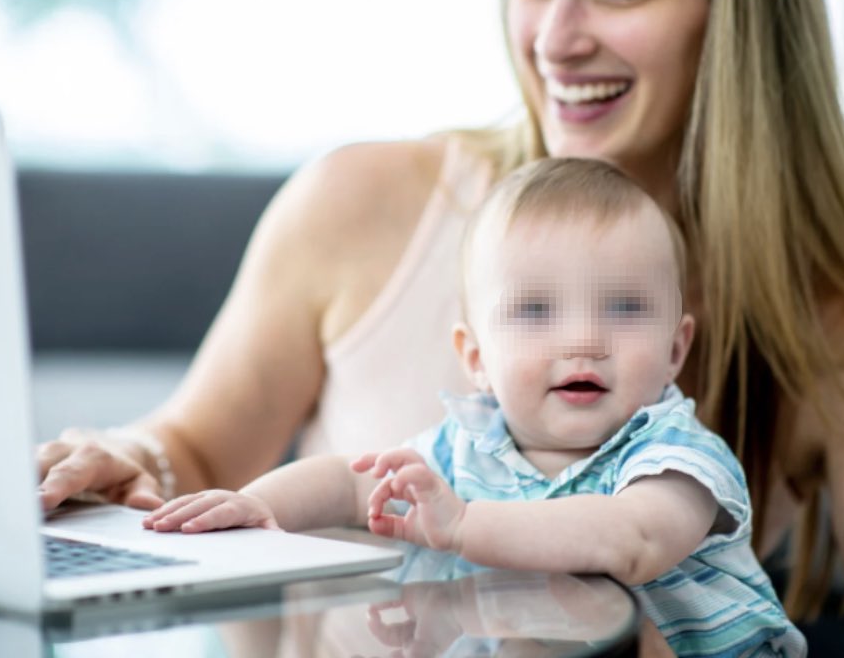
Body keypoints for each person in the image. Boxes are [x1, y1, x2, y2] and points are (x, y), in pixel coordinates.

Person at [35, 0, 844, 653]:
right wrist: (137, 457)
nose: (555, 39)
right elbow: (203, 452)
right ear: (473, 351)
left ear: (737, 19)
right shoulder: (359, 205)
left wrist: (464, 524)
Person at [141, 157, 807, 657]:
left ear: (674, 348)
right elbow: (352, 479)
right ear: (477, 358)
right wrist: (265, 508)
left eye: (625, 307)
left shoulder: (675, 459)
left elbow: (630, 539)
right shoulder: (466, 450)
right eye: (536, 310)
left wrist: (463, 526)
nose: (582, 341)